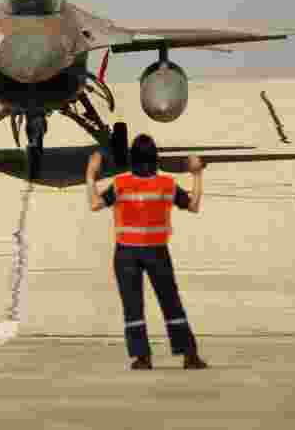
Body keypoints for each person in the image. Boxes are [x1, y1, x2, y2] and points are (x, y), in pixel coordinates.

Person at [87, 134, 208, 371]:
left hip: (126, 253)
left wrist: (91, 175)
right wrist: (196, 174)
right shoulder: (166, 184)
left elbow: (95, 204)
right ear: (155, 159)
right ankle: (189, 355)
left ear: (132, 159)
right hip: (157, 251)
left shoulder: (121, 184)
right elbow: (193, 206)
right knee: (171, 302)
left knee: (133, 306)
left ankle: (142, 357)